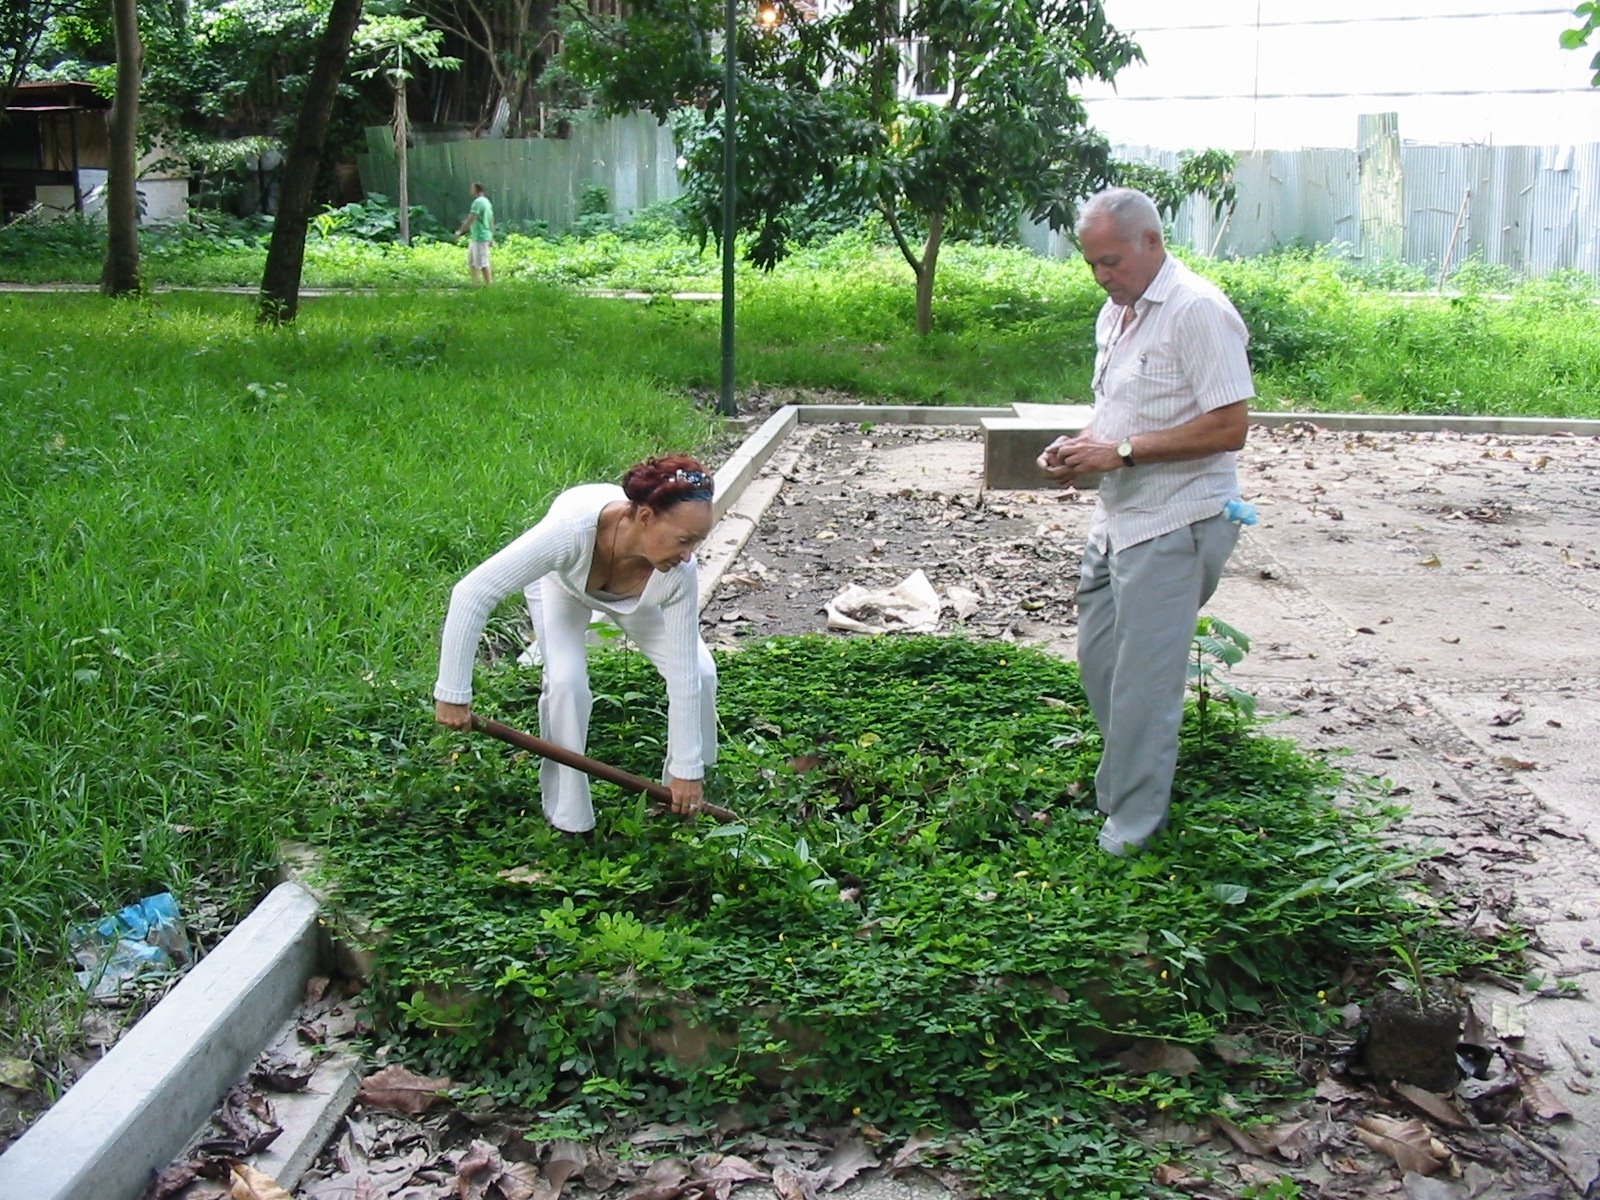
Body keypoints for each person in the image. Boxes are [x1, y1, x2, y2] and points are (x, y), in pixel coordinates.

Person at [1037, 187, 1254, 856]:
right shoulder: (1118, 314)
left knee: (1144, 689)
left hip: (1177, 520)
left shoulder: (1198, 312)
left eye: (1111, 262)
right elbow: (1123, 412)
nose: (1103, 276)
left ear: (1151, 243)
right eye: (1093, 265)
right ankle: (1120, 796)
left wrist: (1120, 452)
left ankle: (1129, 839)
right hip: (1119, 516)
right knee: (1100, 664)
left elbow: (1230, 426)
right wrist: (1081, 448)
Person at [433, 455, 718, 832]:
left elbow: (682, 676)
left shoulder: (677, 571)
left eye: (698, 541)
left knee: (700, 672)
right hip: (563, 586)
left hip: (640, 594)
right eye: (684, 540)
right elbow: (473, 592)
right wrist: (452, 692)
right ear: (646, 517)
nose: (689, 554)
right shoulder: (570, 530)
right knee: (567, 684)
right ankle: (570, 818)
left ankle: (689, 789)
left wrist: (687, 770)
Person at [456, 182, 494, 286]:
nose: (470, 190)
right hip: (477, 236)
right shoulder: (487, 202)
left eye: (472, 188)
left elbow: (471, 218)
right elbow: (491, 220)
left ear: (477, 189)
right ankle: (475, 284)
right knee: (472, 261)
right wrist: (491, 236)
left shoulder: (478, 202)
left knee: (483, 262)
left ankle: (489, 285)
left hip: (480, 236)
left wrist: (460, 231)